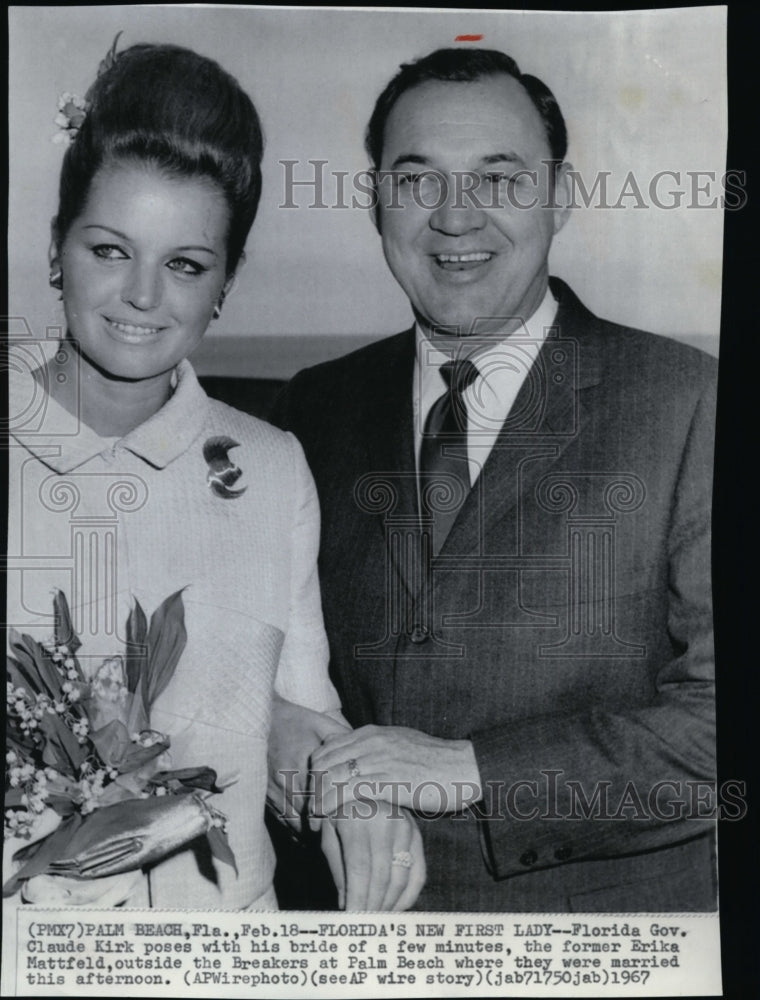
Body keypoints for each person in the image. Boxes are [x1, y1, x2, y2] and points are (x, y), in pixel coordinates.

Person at [271, 47, 718, 911]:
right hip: (349, 937)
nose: (455, 216)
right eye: (418, 178)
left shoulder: (691, 403)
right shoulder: (311, 409)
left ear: (561, 195)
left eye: (500, 177)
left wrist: (472, 770)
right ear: (376, 202)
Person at [5, 39, 424, 920]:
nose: (142, 298)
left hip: (229, 947)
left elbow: (298, 717)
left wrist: (359, 793)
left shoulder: (271, 468)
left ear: (225, 284)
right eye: (111, 250)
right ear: (56, 251)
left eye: (187, 265)